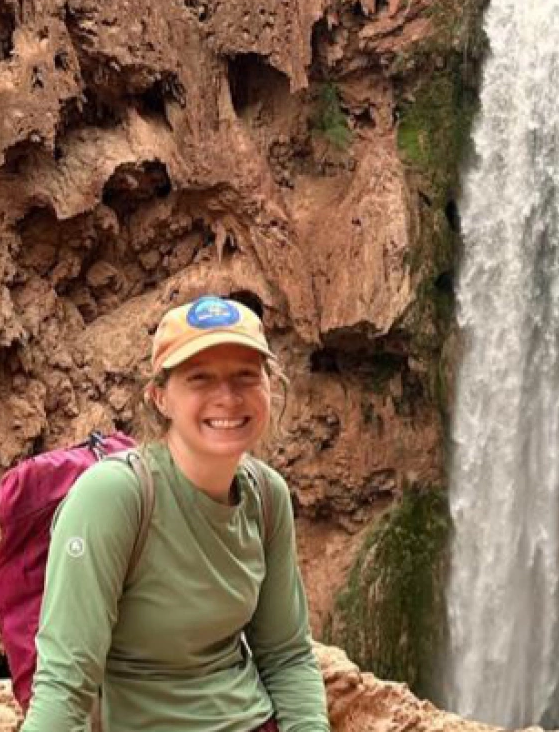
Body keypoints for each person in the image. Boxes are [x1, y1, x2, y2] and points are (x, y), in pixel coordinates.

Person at [20, 295, 330, 732]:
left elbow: (287, 654)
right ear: (160, 397)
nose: (228, 397)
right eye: (200, 378)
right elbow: (66, 682)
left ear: (269, 386)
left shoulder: (267, 495)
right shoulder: (114, 497)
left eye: (246, 376)